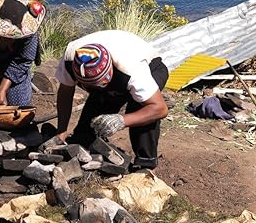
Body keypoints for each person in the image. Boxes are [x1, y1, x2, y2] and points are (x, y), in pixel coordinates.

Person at [47, 30, 169, 170]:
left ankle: (145, 163)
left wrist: (122, 120)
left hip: (151, 66)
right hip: (113, 74)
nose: (88, 88)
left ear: (109, 72)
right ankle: (86, 145)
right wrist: (61, 133)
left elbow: (159, 109)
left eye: (97, 84)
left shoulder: (131, 68)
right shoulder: (71, 59)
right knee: (96, 109)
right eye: (86, 85)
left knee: (139, 109)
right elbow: (65, 93)